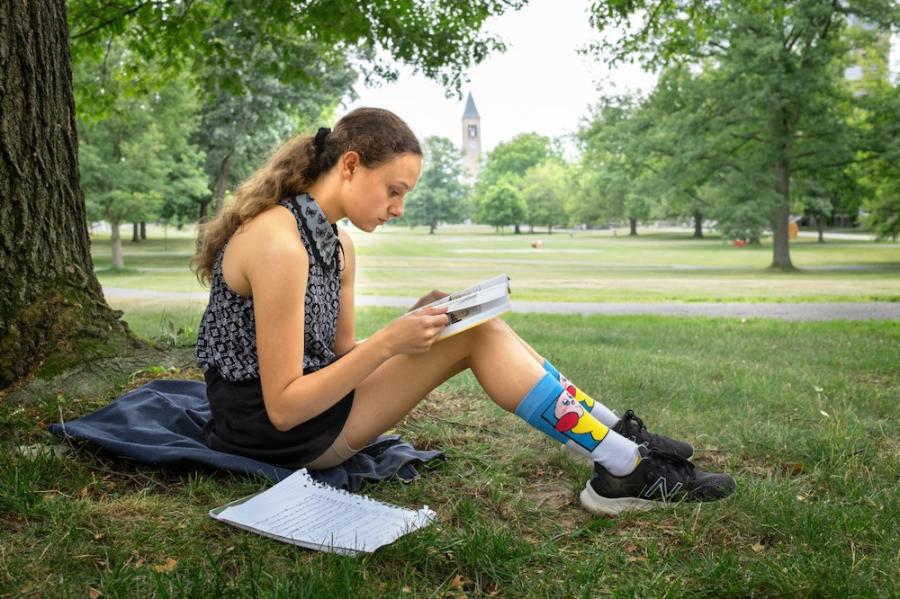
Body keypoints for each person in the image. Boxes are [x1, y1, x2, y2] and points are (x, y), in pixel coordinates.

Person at [192, 107, 734, 516]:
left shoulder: (336, 244)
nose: (399, 209)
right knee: (475, 337)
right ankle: (624, 467)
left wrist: (411, 326)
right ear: (351, 166)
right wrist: (393, 343)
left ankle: (620, 440)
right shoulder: (280, 245)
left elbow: (339, 358)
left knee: (476, 323)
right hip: (274, 433)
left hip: (314, 409)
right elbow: (285, 407)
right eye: (394, 191)